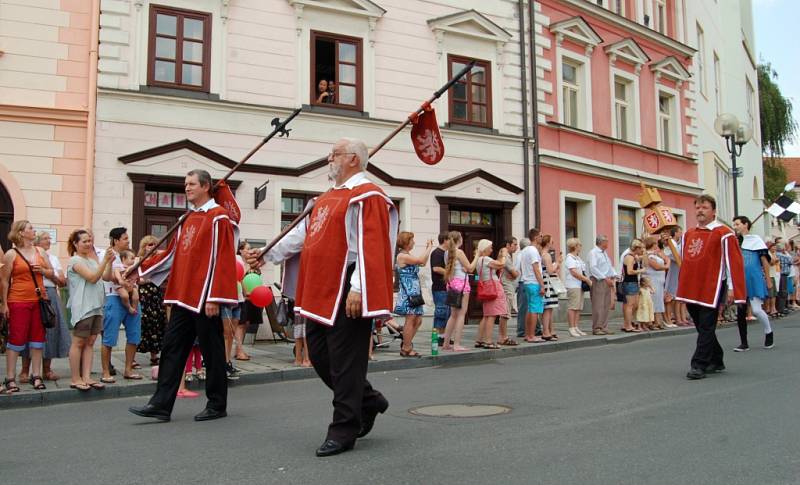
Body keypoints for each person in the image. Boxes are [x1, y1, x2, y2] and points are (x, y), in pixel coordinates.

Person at [253, 138, 397, 457]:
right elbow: (302, 235)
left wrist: (358, 287)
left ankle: (345, 428)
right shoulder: (325, 199)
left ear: (354, 161)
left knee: (346, 363)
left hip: (347, 285)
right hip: (319, 284)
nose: (329, 158)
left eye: (336, 154)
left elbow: (370, 245)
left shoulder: (367, 196)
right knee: (320, 356)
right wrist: (266, 255)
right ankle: (369, 400)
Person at [129, 169, 238, 422]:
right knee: (171, 349)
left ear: (206, 186)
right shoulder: (186, 218)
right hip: (182, 295)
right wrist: (140, 269)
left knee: (212, 352)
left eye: (191, 184)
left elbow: (222, 259)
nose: (186, 188)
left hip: (204, 297)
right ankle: (161, 404)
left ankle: (217, 404)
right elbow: (170, 254)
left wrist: (214, 296)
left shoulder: (218, 217)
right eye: (185, 184)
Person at [676, 195, 746, 380]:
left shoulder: (724, 233)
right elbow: (682, 258)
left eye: (704, 207)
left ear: (713, 211)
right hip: (692, 286)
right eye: (697, 207)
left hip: (712, 286)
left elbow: (732, 262)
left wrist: (731, 287)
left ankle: (699, 364)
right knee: (701, 325)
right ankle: (717, 359)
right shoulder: (688, 234)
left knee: (706, 325)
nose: (700, 210)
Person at [0, 220, 55, 393]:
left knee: (38, 339)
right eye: (30, 228)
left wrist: (43, 271)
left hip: (38, 300)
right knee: (16, 338)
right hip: (18, 300)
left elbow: (51, 272)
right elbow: (4, 280)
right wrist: (4, 303)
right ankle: (10, 377)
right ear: (21, 233)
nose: (34, 231)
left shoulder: (40, 252)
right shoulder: (11, 254)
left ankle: (36, 375)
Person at [66, 229, 115, 391]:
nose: (88, 244)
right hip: (83, 307)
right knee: (79, 341)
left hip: (96, 306)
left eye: (89, 241)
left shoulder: (93, 261)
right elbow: (93, 278)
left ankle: (86, 376)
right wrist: (104, 262)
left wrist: (109, 262)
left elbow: (106, 277)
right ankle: (75, 378)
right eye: (84, 241)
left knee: (90, 342)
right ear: (75, 244)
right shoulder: (75, 261)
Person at [19, 231, 70, 383]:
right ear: (37, 242)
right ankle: (25, 370)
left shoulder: (53, 258)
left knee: (51, 330)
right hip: (33, 292)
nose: (49, 241)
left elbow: (61, 281)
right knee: (29, 331)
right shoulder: (29, 255)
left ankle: (47, 369)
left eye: (50, 238)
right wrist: (50, 274)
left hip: (50, 293)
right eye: (45, 238)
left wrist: (47, 274)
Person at [100, 227, 142, 383]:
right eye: (125, 238)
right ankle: (106, 371)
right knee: (109, 337)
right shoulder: (108, 255)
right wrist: (120, 280)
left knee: (134, 335)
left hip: (131, 296)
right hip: (114, 297)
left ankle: (128, 369)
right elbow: (106, 276)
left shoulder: (130, 255)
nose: (128, 240)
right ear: (116, 240)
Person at [731, 216, 773, 351]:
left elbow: (765, 262)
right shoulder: (734, 241)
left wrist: (768, 279)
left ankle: (768, 331)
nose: (735, 226)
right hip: (739, 279)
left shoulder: (756, 240)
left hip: (753, 278)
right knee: (741, 311)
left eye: (737, 224)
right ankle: (744, 343)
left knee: (756, 310)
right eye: (734, 224)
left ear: (745, 224)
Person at [394, 231, 433, 357]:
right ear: (406, 242)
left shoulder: (407, 255)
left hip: (415, 292)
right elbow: (421, 260)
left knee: (418, 319)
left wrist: (427, 249)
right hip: (408, 292)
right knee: (411, 319)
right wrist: (429, 248)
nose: (414, 242)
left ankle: (407, 343)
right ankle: (406, 347)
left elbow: (422, 262)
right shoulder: (402, 256)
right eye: (412, 240)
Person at [441, 231, 479, 351]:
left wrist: (464, 269)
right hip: (462, 283)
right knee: (461, 314)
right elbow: (471, 267)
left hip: (452, 283)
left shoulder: (447, 253)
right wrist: (477, 255)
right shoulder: (460, 252)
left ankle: (446, 343)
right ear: (459, 240)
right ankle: (457, 344)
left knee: (453, 315)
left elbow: (453, 266)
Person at [135, 235, 167, 367]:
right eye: (149, 245)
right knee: (142, 325)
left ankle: (154, 356)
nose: (152, 247)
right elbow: (139, 279)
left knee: (157, 324)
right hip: (144, 295)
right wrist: (151, 279)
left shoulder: (158, 260)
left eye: (154, 244)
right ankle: (133, 357)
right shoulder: (139, 260)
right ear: (143, 247)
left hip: (156, 295)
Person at [474, 239, 508, 349]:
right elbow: (501, 265)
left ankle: (479, 340)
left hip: (485, 287)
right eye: (490, 247)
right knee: (492, 315)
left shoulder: (479, 260)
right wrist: (504, 255)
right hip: (493, 287)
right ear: (485, 248)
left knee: (486, 315)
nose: (491, 249)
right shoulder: (486, 259)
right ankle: (488, 341)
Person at [519, 228, 545, 343]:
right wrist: (542, 285)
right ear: (535, 237)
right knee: (534, 309)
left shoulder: (525, 250)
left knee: (529, 309)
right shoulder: (534, 251)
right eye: (541, 236)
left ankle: (527, 334)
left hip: (526, 282)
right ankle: (532, 335)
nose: (542, 238)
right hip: (534, 282)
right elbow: (536, 269)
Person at [588, 235, 617, 335]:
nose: (608, 243)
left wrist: (614, 275)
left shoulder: (604, 253)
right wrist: (605, 278)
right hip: (598, 280)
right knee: (598, 304)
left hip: (607, 280)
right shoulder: (593, 253)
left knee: (606, 304)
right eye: (607, 241)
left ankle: (604, 326)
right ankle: (596, 327)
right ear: (601, 242)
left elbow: (609, 266)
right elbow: (593, 268)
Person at [564, 237, 591, 337]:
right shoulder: (570, 258)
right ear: (575, 246)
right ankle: (571, 327)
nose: (581, 247)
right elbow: (574, 272)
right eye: (579, 245)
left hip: (579, 286)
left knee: (578, 307)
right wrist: (586, 279)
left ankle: (576, 326)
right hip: (573, 285)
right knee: (573, 307)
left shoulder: (578, 258)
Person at [664, 226, 691, 326]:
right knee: (674, 297)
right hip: (674, 271)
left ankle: (683, 318)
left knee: (681, 298)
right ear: (675, 233)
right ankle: (677, 318)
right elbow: (672, 257)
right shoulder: (671, 244)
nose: (681, 234)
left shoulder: (678, 244)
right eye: (680, 232)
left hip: (681, 271)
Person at [644, 236, 671, 329]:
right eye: (655, 243)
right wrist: (667, 265)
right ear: (652, 244)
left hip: (659, 281)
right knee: (653, 300)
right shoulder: (648, 255)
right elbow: (657, 266)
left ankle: (658, 321)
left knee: (659, 300)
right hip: (652, 279)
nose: (657, 245)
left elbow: (666, 259)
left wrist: (666, 261)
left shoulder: (655, 254)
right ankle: (652, 322)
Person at [539, 235, 561, 340]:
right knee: (548, 309)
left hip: (546, 281)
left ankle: (549, 330)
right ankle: (546, 332)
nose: (553, 244)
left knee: (548, 309)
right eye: (552, 242)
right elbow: (550, 270)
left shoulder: (541, 254)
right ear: (547, 243)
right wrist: (557, 262)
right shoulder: (546, 255)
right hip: (547, 283)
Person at [620, 240, 645, 332]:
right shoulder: (629, 257)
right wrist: (640, 271)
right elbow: (629, 271)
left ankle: (628, 323)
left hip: (633, 282)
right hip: (629, 283)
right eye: (641, 248)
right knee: (629, 305)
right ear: (636, 248)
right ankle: (628, 325)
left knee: (635, 305)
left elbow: (642, 258)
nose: (642, 250)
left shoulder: (634, 256)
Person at [498, 237, 519, 346]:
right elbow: (514, 273)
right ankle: (503, 337)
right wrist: (516, 273)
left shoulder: (505, 253)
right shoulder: (504, 253)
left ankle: (503, 336)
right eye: (514, 244)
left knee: (505, 312)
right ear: (508, 245)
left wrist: (515, 273)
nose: (516, 247)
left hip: (506, 284)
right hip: (506, 286)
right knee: (505, 312)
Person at [430, 234, 450, 346]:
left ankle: (443, 336)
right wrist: (451, 272)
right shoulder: (437, 253)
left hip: (445, 287)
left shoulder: (446, 253)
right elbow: (436, 268)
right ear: (445, 240)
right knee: (440, 312)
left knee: (446, 313)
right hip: (439, 287)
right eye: (450, 240)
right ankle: (436, 337)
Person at [114, 250, 140, 315]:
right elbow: (116, 272)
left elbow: (137, 275)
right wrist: (120, 279)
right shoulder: (119, 266)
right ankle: (129, 307)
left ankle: (134, 308)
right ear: (124, 258)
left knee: (136, 296)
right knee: (125, 296)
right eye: (132, 258)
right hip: (121, 286)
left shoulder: (133, 268)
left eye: (134, 258)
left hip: (132, 285)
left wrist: (138, 280)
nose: (134, 260)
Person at [515, 237, 531, 339]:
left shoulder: (521, 255)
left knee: (530, 307)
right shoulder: (521, 255)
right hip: (523, 282)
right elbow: (516, 270)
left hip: (525, 282)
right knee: (523, 308)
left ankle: (535, 329)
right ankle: (521, 330)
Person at [775, 242, 792, 315]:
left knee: (780, 291)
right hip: (783, 274)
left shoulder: (776, 255)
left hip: (779, 274)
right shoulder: (783, 256)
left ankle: (780, 308)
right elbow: (790, 261)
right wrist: (786, 252)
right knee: (783, 291)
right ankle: (781, 308)